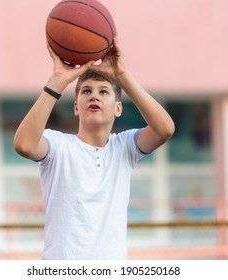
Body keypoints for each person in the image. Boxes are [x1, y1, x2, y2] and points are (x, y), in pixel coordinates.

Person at [13, 36, 175, 259]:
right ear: (76, 107)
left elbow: (164, 129)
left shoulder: (124, 147)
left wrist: (122, 77)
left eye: (103, 92)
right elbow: (24, 145)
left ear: (118, 108)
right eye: (86, 91)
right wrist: (57, 81)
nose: (94, 96)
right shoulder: (59, 146)